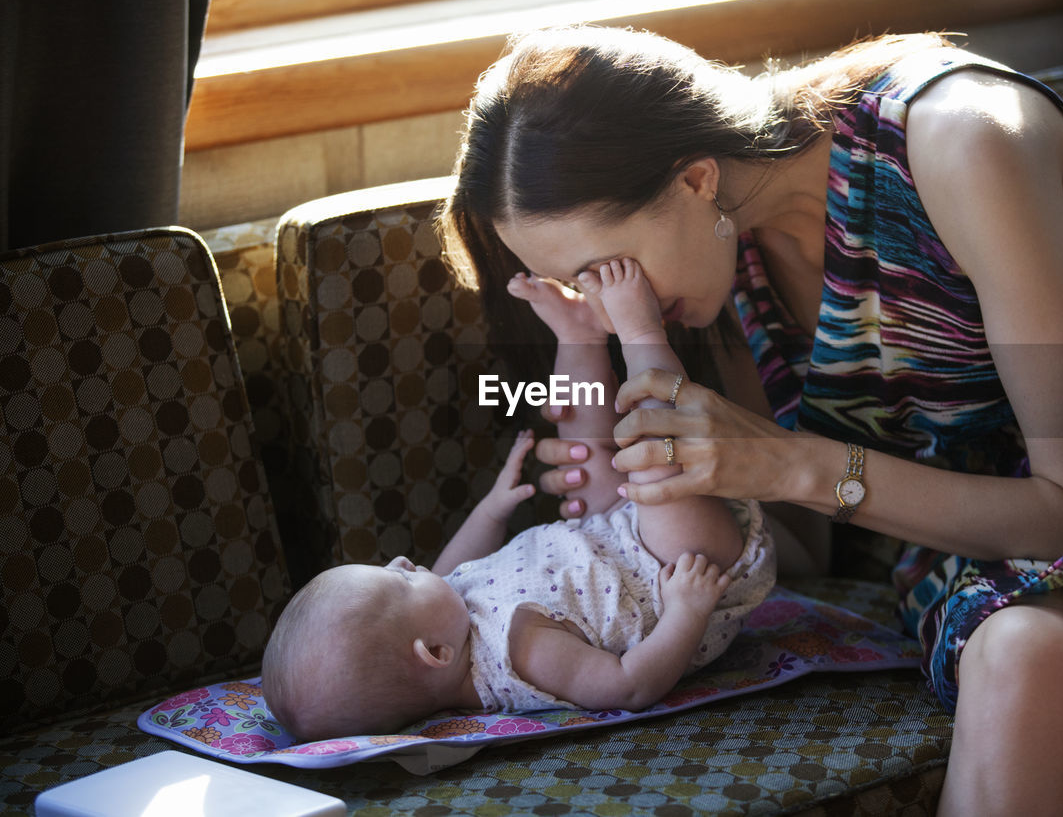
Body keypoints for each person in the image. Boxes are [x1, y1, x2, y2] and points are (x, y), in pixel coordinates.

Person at [438, 24, 1063, 814]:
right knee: (1016, 656)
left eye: (605, 266)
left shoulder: (958, 138)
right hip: (993, 562)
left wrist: (787, 462)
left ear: (696, 180)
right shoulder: (723, 279)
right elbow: (803, 553)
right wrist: (659, 499)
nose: (616, 302)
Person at [261, 259, 776, 741]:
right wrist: (686, 610)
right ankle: (642, 331)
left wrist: (492, 506)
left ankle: (580, 335)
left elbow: (454, 560)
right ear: (435, 655)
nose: (402, 560)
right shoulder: (522, 654)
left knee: (584, 456)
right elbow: (629, 686)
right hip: (682, 568)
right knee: (650, 455)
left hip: (611, 531)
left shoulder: (444, 612)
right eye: (398, 578)